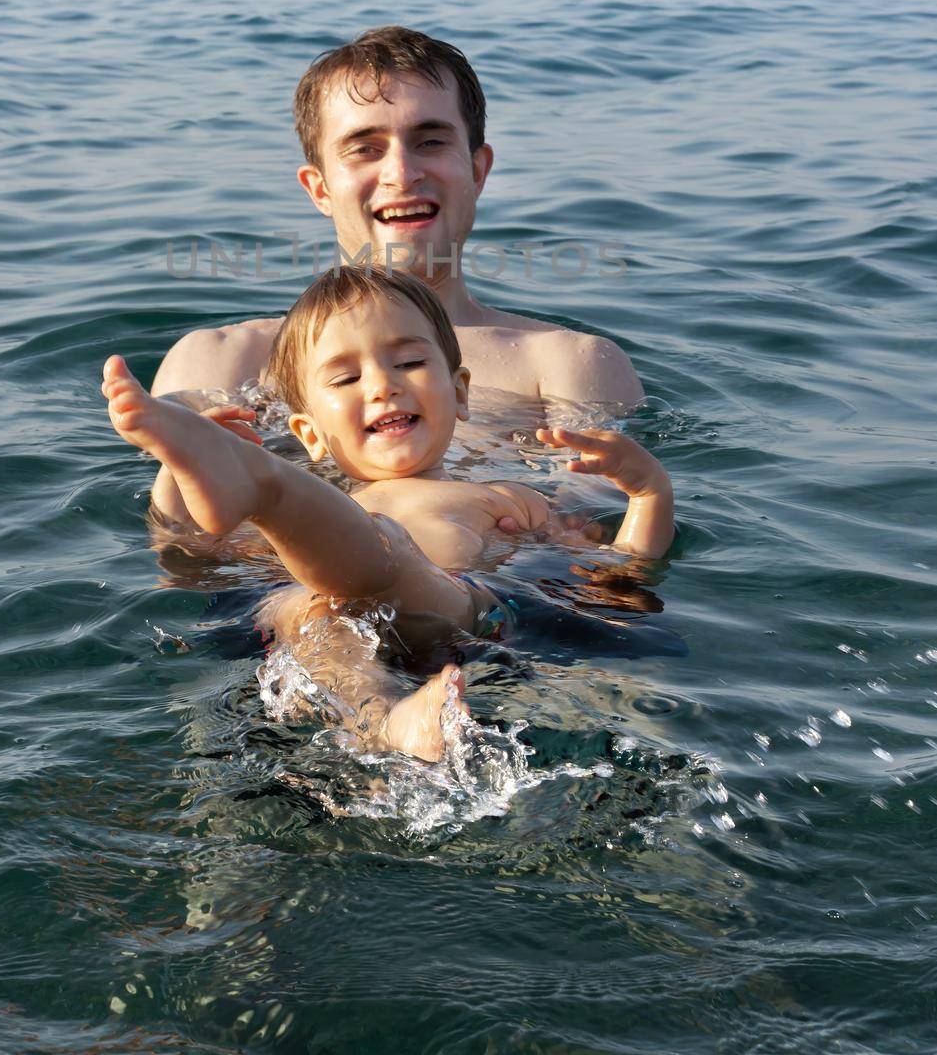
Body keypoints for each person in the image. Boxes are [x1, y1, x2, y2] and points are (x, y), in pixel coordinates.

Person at [103, 267, 673, 762]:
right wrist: (176, 482)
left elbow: (611, 576)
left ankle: (252, 481)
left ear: (461, 392)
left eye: (408, 360)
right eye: (346, 378)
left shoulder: (505, 498)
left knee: (380, 555)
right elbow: (191, 559)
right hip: (316, 617)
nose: (382, 385)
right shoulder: (321, 518)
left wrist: (648, 495)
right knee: (310, 608)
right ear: (308, 434)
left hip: (455, 611)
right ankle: (385, 724)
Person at [151, 26, 643, 527]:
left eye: (429, 140)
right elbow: (181, 551)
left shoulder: (568, 364)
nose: (402, 173)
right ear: (318, 188)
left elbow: (592, 557)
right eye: (364, 149)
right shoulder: (221, 362)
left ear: (478, 170)